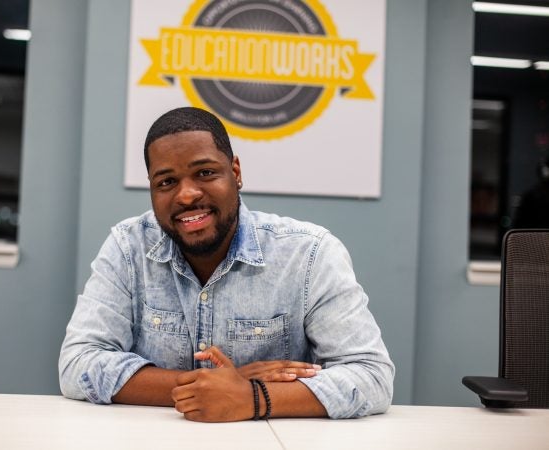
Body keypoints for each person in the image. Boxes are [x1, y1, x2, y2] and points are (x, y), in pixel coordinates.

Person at [59, 107, 394, 422]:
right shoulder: (127, 248)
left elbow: (371, 376)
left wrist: (253, 398)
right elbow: (79, 364)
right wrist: (209, 386)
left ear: (235, 172)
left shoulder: (308, 254)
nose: (187, 195)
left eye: (205, 173)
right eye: (166, 182)